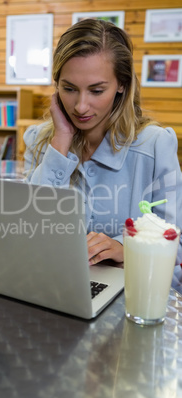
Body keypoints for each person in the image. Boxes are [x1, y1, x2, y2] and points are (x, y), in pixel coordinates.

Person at [23, 18, 182, 266]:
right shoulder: (42, 141)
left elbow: (176, 245)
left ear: (122, 84)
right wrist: (61, 140)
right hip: (54, 284)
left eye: (96, 91)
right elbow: (28, 231)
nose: (80, 106)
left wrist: (125, 247)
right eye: (69, 88)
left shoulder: (155, 145)